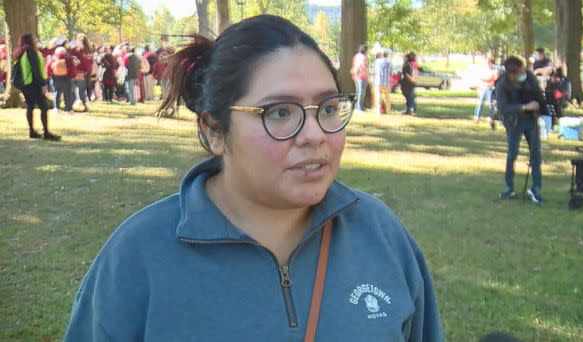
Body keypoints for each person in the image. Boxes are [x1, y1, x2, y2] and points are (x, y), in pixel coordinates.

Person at [64, 15, 442, 341]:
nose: (314, 134)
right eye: (279, 113)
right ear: (214, 130)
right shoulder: (137, 257)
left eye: (328, 108)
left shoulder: (381, 236)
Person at [495, 56, 546, 204]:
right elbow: (503, 108)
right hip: (514, 123)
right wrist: (523, 107)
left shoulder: (529, 77)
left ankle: (536, 188)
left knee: (536, 153)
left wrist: (538, 104)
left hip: (531, 120)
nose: (523, 73)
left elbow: (538, 93)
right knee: (512, 154)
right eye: (519, 71)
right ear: (511, 73)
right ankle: (509, 187)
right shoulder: (502, 84)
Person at [12, 34, 61, 141]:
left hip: (25, 84)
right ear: (31, 41)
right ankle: (46, 132)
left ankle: (32, 131)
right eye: (34, 39)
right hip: (34, 84)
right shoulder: (32, 52)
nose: (36, 40)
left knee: (30, 107)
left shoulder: (21, 53)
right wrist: (43, 84)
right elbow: (36, 70)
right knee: (44, 107)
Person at [473, 56, 500, 123]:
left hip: (490, 89)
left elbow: (495, 78)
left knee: (491, 104)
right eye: (487, 63)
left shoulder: (495, 70)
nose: (488, 64)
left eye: (489, 62)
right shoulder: (484, 70)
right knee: (479, 103)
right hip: (483, 88)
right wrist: (489, 79)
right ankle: (477, 117)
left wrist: (489, 79)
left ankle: (491, 118)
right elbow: (482, 77)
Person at [350, 44, 368, 111]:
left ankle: (360, 106)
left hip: (358, 76)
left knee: (359, 91)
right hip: (361, 76)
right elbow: (360, 65)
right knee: (361, 91)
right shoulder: (362, 57)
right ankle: (359, 107)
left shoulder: (356, 56)